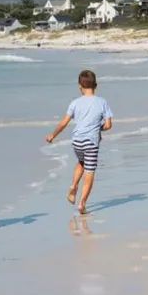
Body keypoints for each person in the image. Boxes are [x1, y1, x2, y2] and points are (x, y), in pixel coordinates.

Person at [46, 70, 113, 214]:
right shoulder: (102, 102)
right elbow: (108, 125)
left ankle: (73, 185)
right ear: (96, 85)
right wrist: (98, 128)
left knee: (81, 162)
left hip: (76, 141)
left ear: (79, 86)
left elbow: (64, 123)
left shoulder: (74, 103)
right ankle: (82, 203)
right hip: (91, 142)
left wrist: (53, 134)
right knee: (89, 172)